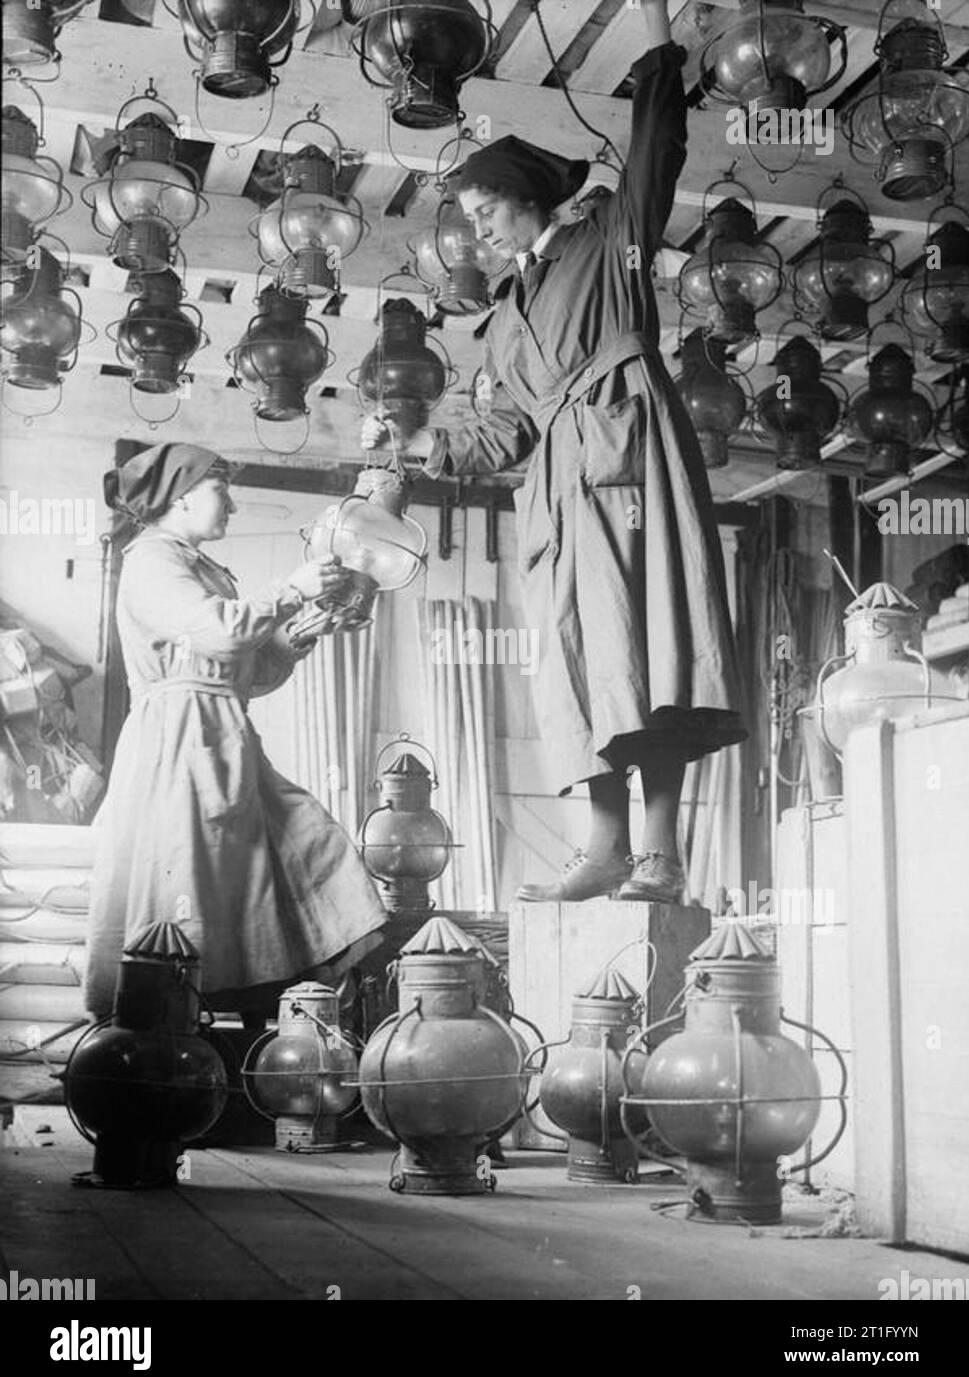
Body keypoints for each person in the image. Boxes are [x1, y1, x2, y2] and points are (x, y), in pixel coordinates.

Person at [361, 0, 746, 904]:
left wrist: (658, 55)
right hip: (557, 494)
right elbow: (503, 433)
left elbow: (656, 158)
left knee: (652, 647)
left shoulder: (606, 237)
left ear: (531, 196)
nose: (479, 229)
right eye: (470, 216)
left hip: (628, 453)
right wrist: (416, 439)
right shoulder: (503, 325)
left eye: (488, 208)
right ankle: (603, 846)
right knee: (583, 663)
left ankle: (659, 851)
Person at [83, 443, 388, 1021]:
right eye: (222, 490)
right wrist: (292, 588)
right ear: (182, 496)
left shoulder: (199, 566)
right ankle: (182, 1028)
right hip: (177, 745)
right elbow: (220, 635)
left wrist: (301, 631)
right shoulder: (152, 559)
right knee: (194, 889)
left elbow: (242, 675)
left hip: (219, 734)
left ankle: (253, 1011)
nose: (234, 505)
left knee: (306, 847)